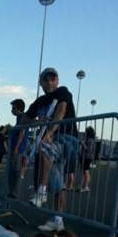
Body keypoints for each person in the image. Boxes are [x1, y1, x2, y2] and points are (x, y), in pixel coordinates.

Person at [24, 67, 78, 210]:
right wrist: (38, 122)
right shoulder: (40, 101)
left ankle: (41, 192)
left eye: (53, 79)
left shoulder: (62, 91)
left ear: (57, 80)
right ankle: (58, 220)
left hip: (66, 138)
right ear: (40, 83)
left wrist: (49, 133)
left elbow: (61, 111)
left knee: (44, 149)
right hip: (52, 140)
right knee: (57, 181)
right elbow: (25, 119)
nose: (49, 82)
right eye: (46, 80)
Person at [8, 99, 29, 198]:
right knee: (14, 170)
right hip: (18, 148)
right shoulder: (19, 118)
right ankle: (13, 191)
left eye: (13, 108)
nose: (12, 110)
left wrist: (16, 147)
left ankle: (14, 193)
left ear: (19, 108)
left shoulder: (22, 117)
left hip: (19, 149)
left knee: (17, 171)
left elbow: (22, 132)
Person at [79, 126, 96, 192]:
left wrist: (83, 144)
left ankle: (85, 186)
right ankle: (85, 185)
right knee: (85, 172)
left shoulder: (90, 140)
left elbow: (88, 150)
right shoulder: (91, 140)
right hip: (86, 157)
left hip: (87, 157)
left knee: (86, 172)